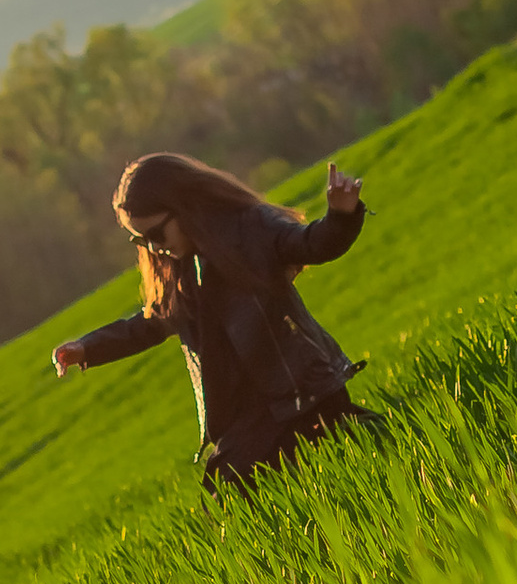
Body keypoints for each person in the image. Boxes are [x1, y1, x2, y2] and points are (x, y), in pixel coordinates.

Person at [52, 151, 370, 488]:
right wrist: (87, 348)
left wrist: (340, 215)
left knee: (337, 463)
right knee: (234, 497)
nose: (154, 247)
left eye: (156, 234)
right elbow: (149, 324)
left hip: (300, 396)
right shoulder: (177, 273)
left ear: (185, 206)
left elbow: (310, 245)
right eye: (141, 241)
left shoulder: (250, 228)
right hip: (244, 416)